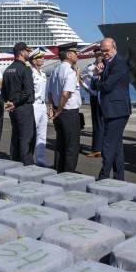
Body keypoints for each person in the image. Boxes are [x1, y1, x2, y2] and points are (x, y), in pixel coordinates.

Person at [93, 37, 131, 180]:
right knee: (116, 145)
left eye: (106, 50)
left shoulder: (119, 64)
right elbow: (94, 85)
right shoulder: (106, 63)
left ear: (114, 48)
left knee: (108, 144)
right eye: (102, 51)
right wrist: (98, 75)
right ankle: (119, 177)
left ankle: (103, 176)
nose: (104, 53)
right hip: (112, 109)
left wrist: (98, 78)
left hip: (117, 110)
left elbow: (107, 86)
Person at [48, 42, 82, 173]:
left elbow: (50, 92)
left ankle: (59, 170)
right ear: (69, 55)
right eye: (75, 53)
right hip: (68, 112)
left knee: (60, 144)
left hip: (58, 111)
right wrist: (60, 110)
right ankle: (68, 175)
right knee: (72, 146)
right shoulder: (70, 72)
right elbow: (66, 93)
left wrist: (52, 108)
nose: (77, 55)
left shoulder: (55, 70)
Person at [2, 42, 35, 165]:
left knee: (15, 136)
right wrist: (15, 104)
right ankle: (27, 165)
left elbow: (3, 92)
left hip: (12, 109)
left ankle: (14, 162)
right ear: (21, 52)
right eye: (27, 51)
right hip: (23, 108)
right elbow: (28, 92)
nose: (29, 53)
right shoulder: (25, 69)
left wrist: (9, 103)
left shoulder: (7, 70)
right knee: (26, 138)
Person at [29, 48, 50, 167]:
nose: (43, 59)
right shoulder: (30, 73)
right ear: (33, 60)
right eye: (40, 58)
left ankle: (41, 160)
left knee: (42, 134)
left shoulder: (42, 73)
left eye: (43, 57)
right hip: (34, 105)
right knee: (32, 133)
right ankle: (29, 158)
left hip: (42, 105)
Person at [82, 52, 104, 157]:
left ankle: (104, 147)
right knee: (96, 122)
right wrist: (89, 91)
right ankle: (97, 148)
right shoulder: (89, 67)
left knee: (106, 123)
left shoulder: (107, 66)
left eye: (100, 54)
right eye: (97, 55)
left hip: (105, 96)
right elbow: (82, 79)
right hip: (95, 96)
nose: (99, 56)